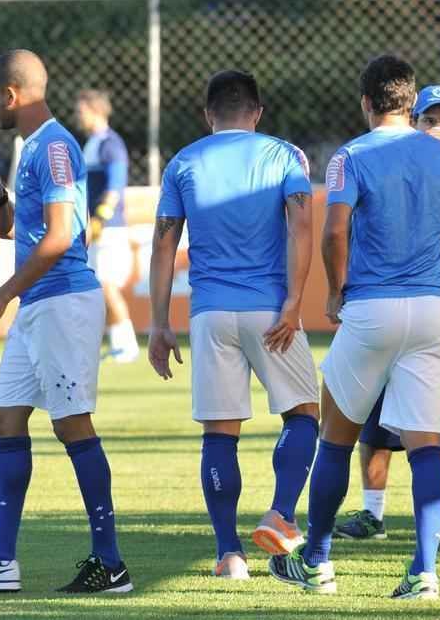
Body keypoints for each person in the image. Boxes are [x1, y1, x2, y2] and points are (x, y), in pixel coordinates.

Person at [270, 56, 440, 601]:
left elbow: (334, 232)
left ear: (366, 102)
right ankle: (424, 572)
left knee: (336, 439)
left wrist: (335, 290)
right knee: (425, 445)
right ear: (411, 102)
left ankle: (316, 561)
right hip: (428, 310)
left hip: (371, 307)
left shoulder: (351, 156)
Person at [0, 49, 132, 593]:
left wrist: (0, 296)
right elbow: (17, 230)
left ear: (10, 95)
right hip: (39, 305)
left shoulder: (55, 146)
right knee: (4, 420)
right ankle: (0, 562)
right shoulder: (33, 147)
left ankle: (110, 563)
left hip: (62, 303)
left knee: (72, 425)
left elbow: (62, 238)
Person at [147, 70, 320, 579]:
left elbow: (163, 245)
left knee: (220, 432)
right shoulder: (283, 155)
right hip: (270, 310)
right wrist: (294, 302)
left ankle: (229, 554)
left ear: (208, 114)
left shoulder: (183, 162)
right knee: (304, 412)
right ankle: (280, 513)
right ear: (258, 112)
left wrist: (159, 323)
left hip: (210, 313)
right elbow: (301, 226)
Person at [334, 85, 440, 543]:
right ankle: (377, 516)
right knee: (379, 420)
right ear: (413, 117)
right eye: (429, 119)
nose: (436, 128)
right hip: (423, 309)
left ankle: (433, 517)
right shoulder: (397, 162)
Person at [75, 89, 139, 363]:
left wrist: (100, 219)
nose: (78, 116)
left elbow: (115, 187)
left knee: (107, 285)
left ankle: (127, 345)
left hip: (108, 229)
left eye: (81, 111)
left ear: (95, 110)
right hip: (94, 229)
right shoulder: (91, 143)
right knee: (98, 288)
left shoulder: (110, 143)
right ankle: (117, 342)